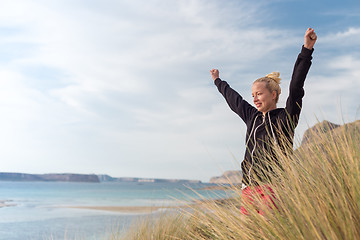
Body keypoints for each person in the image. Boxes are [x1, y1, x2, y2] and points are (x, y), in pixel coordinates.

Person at [210, 28, 317, 215]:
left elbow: (296, 86)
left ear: (273, 94)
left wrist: (306, 50)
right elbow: (233, 99)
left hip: (273, 187)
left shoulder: (287, 117)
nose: (255, 98)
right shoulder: (252, 117)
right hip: (248, 188)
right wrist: (218, 81)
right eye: (253, 95)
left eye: (259, 94)